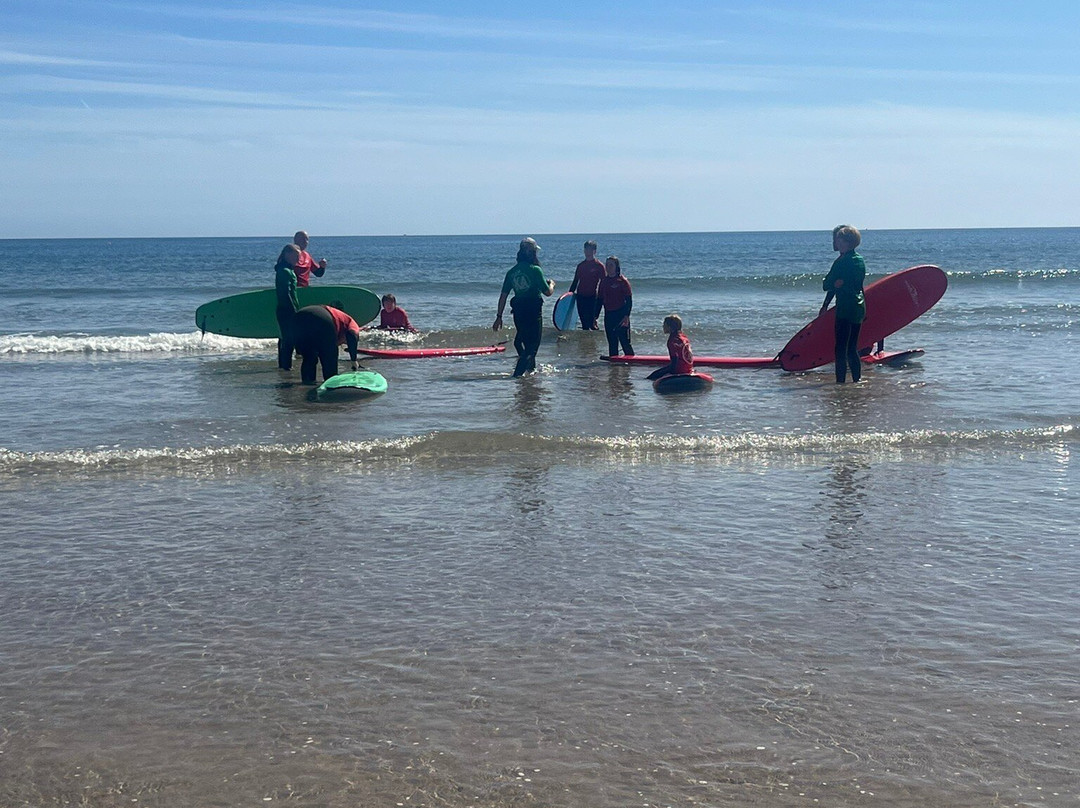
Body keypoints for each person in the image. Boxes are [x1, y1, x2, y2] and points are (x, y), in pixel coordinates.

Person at [492, 237, 556, 377]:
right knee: (532, 347)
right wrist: (551, 284)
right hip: (533, 311)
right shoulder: (535, 270)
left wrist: (499, 317)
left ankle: (530, 371)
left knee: (523, 342)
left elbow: (503, 296)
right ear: (532, 253)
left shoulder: (511, 272)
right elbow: (547, 292)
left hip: (518, 312)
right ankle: (517, 375)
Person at [820, 224, 867, 383]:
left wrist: (825, 304)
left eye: (840, 240)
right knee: (852, 348)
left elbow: (827, 285)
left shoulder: (841, 262)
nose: (837, 243)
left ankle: (840, 383)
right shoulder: (860, 260)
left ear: (848, 242)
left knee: (840, 348)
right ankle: (857, 381)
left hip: (845, 308)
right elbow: (859, 286)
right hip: (859, 307)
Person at [292, 303, 362, 384]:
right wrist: (353, 360)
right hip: (323, 318)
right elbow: (352, 335)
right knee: (329, 359)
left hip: (298, 317)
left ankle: (307, 385)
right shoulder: (351, 322)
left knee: (309, 358)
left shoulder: (340, 319)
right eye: (345, 342)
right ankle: (330, 385)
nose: (343, 343)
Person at [598, 255, 634, 358]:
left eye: (611, 265)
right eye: (607, 265)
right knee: (612, 342)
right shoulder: (604, 281)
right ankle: (614, 365)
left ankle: (632, 363)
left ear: (616, 267)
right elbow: (599, 300)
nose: (608, 267)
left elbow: (629, 300)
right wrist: (595, 317)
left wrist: (626, 316)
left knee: (625, 342)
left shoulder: (622, 281)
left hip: (621, 315)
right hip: (609, 315)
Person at [274, 244, 301, 370]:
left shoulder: (288, 270)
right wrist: (294, 312)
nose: (298, 259)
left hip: (286, 309)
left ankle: (284, 367)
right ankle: (286, 367)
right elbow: (285, 293)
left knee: (286, 339)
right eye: (296, 256)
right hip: (286, 310)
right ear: (287, 255)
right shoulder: (284, 271)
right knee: (289, 340)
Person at [568, 240, 605, 330]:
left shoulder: (599, 266)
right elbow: (575, 281)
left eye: (589, 250)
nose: (587, 252)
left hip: (593, 297)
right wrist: (569, 296)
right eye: (586, 249)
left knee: (592, 324)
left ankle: (594, 337)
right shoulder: (580, 266)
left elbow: (604, 282)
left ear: (594, 251)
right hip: (580, 297)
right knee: (584, 324)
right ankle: (586, 338)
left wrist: (603, 297)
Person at [646, 314, 694, 381]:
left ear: (670, 327)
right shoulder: (684, 337)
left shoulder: (672, 340)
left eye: (664, 325)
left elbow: (674, 362)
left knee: (651, 377)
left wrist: (669, 375)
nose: (663, 326)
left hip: (679, 370)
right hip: (688, 368)